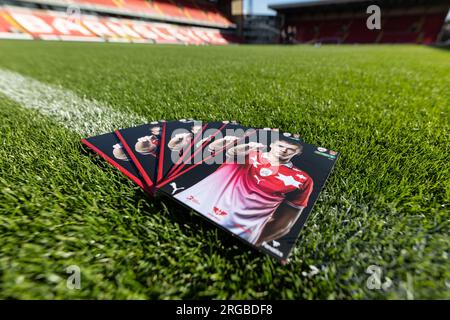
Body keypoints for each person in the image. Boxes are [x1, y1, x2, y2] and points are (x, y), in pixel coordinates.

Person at [173, 137, 313, 246]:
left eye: (290, 149)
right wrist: (231, 151)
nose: (283, 150)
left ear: (297, 152)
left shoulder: (302, 179)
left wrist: (254, 242)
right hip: (195, 205)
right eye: (280, 146)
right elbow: (207, 157)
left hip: (239, 232)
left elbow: (284, 223)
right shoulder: (246, 151)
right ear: (272, 144)